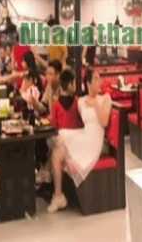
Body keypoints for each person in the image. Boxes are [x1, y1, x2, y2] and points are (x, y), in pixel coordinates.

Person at [47, 69, 112, 213]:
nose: (100, 82)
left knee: (60, 144)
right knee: (57, 150)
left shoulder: (105, 98)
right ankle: (58, 195)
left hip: (95, 140)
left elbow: (104, 122)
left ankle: (52, 185)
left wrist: (95, 105)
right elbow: (78, 119)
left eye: (99, 78)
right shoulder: (81, 101)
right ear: (88, 83)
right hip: (84, 134)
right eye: (96, 79)